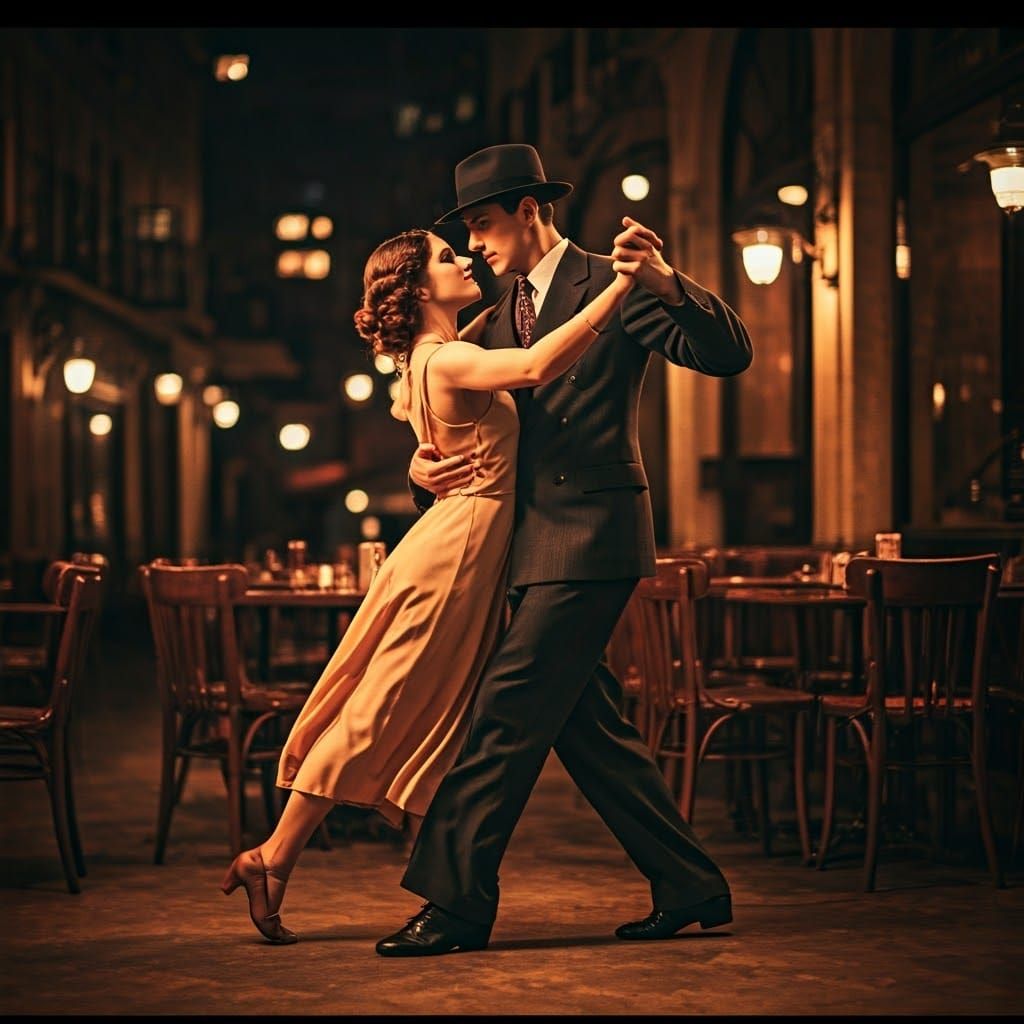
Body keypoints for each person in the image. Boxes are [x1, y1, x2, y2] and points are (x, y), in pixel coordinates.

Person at [376, 144, 753, 957]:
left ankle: (455, 904)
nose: (474, 243)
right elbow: (459, 423)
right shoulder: (486, 317)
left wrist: (664, 282)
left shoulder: (609, 284)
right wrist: (419, 468)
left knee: (503, 717)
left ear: (527, 210)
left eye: (481, 224)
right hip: (515, 549)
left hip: (591, 538)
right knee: (591, 733)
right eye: (465, 231)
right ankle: (690, 884)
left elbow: (729, 353)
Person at [220, 225, 637, 944]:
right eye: (448, 257)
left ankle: (375, 871)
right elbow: (536, 365)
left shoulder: (429, 354)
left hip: (458, 543)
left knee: (412, 702)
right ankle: (276, 855)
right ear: (416, 290)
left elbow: (457, 374)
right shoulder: (444, 360)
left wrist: (422, 460)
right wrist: (620, 289)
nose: (467, 256)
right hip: (455, 551)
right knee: (378, 704)